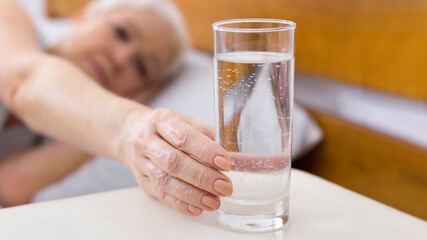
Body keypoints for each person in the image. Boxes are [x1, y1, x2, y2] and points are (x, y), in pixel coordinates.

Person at [0, 0, 233, 216]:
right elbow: (26, 83)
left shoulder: (57, 131)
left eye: (140, 67)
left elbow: (8, 188)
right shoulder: (9, 17)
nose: (121, 58)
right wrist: (131, 125)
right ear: (82, 17)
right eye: (120, 32)